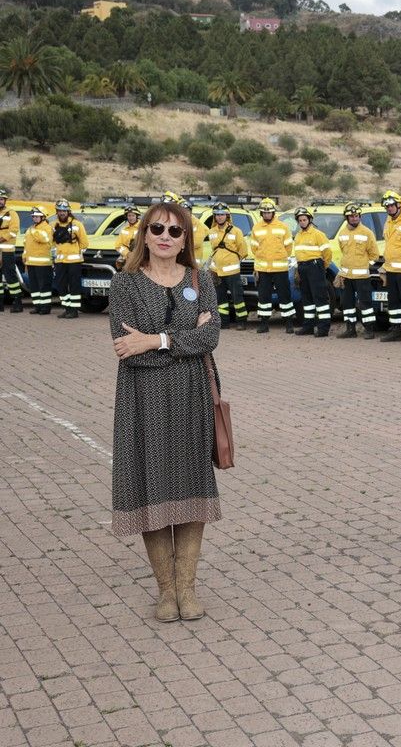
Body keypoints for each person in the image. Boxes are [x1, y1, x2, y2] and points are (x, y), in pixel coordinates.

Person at [109, 201, 222, 622]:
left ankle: (188, 589)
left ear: (186, 239)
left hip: (192, 398)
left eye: (175, 231)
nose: (165, 237)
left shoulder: (200, 278)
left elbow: (210, 337)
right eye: (157, 228)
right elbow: (127, 350)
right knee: (152, 489)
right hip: (144, 399)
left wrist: (157, 340)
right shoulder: (124, 285)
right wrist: (182, 339)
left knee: (192, 491)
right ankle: (166, 591)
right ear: (144, 234)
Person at [249, 198, 295, 333]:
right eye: (264, 213)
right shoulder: (256, 228)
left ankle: (289, 323)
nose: (267, 215)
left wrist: (278, 257)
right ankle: (264, 323)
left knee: (285, 296)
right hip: (263, 269)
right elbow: (254, 248)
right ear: (261, 214)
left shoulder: (283, 227)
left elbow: (288, 247)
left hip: (280, 268)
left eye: (269, 213)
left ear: (273, 213)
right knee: (264, 297)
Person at [335, 203, 380, 339]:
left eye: (356, 216)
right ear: (347, 218)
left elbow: (374, 255)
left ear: (359, 217)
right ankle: (350, 329)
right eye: (351, 216)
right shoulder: (342, 234)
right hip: (346, 276)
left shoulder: (367, 233)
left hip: (362, 276)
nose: (354, 219)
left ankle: (369, 330)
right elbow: (344, 252)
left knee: (365, 303)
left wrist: (366, 265)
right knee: (347, 304)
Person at [292, 207, 334, 337]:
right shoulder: (298, 236)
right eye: (300, 220)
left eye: (304, 219)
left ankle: (323, 328)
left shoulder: (318, 234)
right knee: (307, 299)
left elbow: (327, 253)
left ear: (310, 220)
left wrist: (322, 267)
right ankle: (308, 326)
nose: (302, 222)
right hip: (302, 267)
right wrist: (298, 270)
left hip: (315, 267)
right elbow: (298, 254)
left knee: (320, 298)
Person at [379, 191, 401, 342]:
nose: (390, 208)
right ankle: (395, 329)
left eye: (392, 205)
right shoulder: (388, 222)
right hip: (391, 270)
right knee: (393, 302)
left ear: (398, 205)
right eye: (387, 206)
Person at [206, 203, 249, 330]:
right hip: (216, 271)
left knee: (238, 298)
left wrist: (232, 261)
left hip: (232, 271)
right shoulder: (211, 231)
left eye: (222, 215)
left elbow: (243, 251)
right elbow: (212, 250)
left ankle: (241, 321)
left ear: (227, 216)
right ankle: (224, 322)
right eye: (217, 215)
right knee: (221, 300)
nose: (219, 217)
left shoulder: (236, 231)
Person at [51, 199, 88, 319]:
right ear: (57, 212)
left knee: (74, 286)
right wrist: (54, 255)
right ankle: (67, 308)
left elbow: (84, 243)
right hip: (60, 261)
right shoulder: (53, 225)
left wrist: (78, 253)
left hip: (74, 262)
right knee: (60, 285)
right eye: (60, 211)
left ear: (68, 212)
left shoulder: (77, 224)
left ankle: (74, 311)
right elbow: (51, 243)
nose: (62, 213)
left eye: (64, 211)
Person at [22, 206, 54, 315]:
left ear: (43, 217)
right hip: (31, 262)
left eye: (37, 217)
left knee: (44, 286)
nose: (35, 218)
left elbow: (43, 239)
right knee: (34, 286)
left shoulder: (47, 228)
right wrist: (24, 255)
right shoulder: (31, 229)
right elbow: (26, 244)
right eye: (34, 217)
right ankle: (37, 306)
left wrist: (34, 231)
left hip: (43, 263)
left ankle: (45, 308)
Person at [0, 188, 21, 312]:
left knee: (10, 277)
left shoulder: (11, 213)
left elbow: (14, 231)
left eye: (1, 199)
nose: (0, 201)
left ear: (5, 200)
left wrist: (2, 239)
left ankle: (17, 302)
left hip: (7, 250)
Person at [114, 204, 140, 270]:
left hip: (140, 260)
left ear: (137, 216)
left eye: (133, 215)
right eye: (129, 215)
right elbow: (118, 246)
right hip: (127, 260)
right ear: (127, 217)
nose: (131, 218)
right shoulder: (124, 229)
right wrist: (127, 253)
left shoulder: (143, 227)